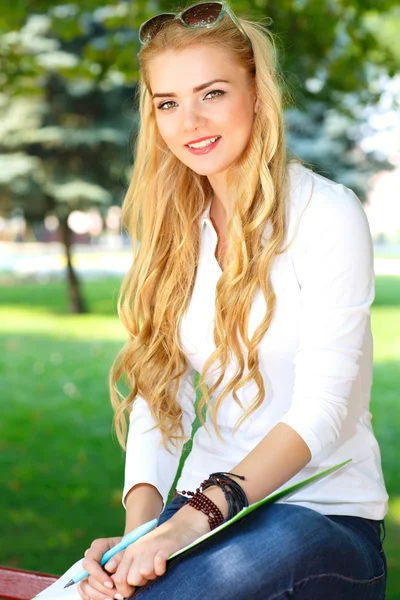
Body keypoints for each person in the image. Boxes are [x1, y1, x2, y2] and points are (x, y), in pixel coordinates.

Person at [78, 2, 389, 599]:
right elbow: (159, 396)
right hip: (201, 518)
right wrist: (140, 534)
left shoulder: (326, 213)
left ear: (256, 94)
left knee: (213, 575)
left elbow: (320, 411)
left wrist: (188, 520)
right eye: (167, 102)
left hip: (321, 520)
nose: (189, 120)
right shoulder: (175, 230)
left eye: (212, 93)